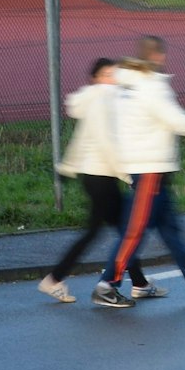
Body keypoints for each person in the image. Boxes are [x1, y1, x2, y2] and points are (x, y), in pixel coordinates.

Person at [93, 36, 185, 309]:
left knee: (171, 232)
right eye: (162, 56)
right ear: (157, 57)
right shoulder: (151, 86)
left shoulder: (126, 86)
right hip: (151, 170)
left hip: (148, 169)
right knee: (134, 232)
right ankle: (108, 285)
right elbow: (178, 121)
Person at [38, 59, 159, 303]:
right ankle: (55, 279)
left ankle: (140, 283)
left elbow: (82, 139)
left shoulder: (96, 100)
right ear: (95, 78)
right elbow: (107, 143)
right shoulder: (103, 101)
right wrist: (128, 175)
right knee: (112, 232)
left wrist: (68, 166)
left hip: (95, 176)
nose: (112, 78)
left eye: (114, 74)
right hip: (102, 177)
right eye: (107, 74)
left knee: (122, 231)